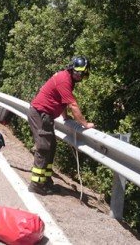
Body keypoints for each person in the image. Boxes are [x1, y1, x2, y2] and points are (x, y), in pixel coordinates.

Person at [27, 56, 95, 195]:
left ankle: (45, 180)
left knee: (51, 147)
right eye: (77, 72)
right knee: (44, 147)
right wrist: (85, 124)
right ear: (72, 69)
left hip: (46, 116)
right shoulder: (64, 80)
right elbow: (73, 105)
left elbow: (62, 100)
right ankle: (36, 184)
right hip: (40, 114)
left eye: (81, 73)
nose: (79, 75)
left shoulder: (67, 78)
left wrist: (64, 117)